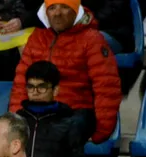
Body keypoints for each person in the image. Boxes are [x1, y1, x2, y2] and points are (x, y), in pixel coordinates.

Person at [9, 0, 122, 145]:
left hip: (75, 114)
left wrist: (101, 132)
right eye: (52, 8)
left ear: (76, 12)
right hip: (40, 113)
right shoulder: (37, 38)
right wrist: (17, 124)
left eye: (64, 7)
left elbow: (106, 87)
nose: (57, 13)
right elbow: (20, 85)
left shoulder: (92, 40)